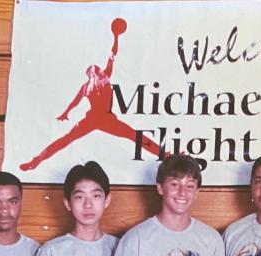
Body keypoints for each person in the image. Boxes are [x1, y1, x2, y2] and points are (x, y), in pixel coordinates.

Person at [19, 18, 159, 171]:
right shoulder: (89, 86)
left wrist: (116, 37)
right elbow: (75, 101)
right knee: (66, 140)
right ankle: (36, 161)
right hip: (93, 118)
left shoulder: (104, 78)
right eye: (94, 70)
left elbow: (113, 54)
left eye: (96, 69)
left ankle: (162, 153)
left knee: (133, 135)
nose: (96, 71)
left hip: (106, 118)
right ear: (90, 74)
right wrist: (66, 113)